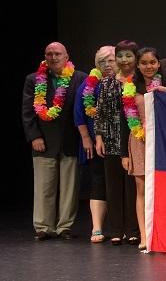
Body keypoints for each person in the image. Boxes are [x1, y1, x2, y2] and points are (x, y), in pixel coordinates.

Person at [22, 42, 87, 241]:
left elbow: (84, 109)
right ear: (45, 57)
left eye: (57, 54)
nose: (53, 57)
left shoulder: (80, 78)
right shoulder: (34, 79)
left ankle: (64, 226)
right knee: (44, 186)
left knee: (69, 187)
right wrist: (34, 136)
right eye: (49, 54)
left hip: (70, 140)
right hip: (44, 140)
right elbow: (27, 111)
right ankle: (43, 227)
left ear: (66, 57)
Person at [94, 40, 141, 246]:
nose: (124, 60)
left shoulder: (140, 81)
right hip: (111, 138)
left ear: (136, 58)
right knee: (113, 187)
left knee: (133, 188)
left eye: (128, 56)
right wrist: (98, 137)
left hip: (136, 140)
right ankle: (116, 230)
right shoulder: (107, 83)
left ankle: (133, 230)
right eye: (120, 56)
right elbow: (100, 112)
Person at [74, 45, 116, 243]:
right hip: (95, 141)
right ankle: (97, 228)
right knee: (98, 181)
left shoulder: (126, 82)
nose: (107, 65)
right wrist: (86, 138)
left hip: (121, 140)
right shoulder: (89, 84)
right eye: (102, 61)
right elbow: (79, 113)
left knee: (119, 185)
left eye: (111, 60)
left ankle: (121, 228)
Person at [124, 47, 163, 251]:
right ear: (138, 65)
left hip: (162, 142)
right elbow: (125, 120)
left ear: (159, 63)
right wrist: (124, 153)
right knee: (141, 189)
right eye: (144, 63)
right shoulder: (131, 87)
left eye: (152, 62)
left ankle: (161, 232)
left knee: (161, 188)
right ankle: (144, 235)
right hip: (139, 140)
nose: (149, 66)